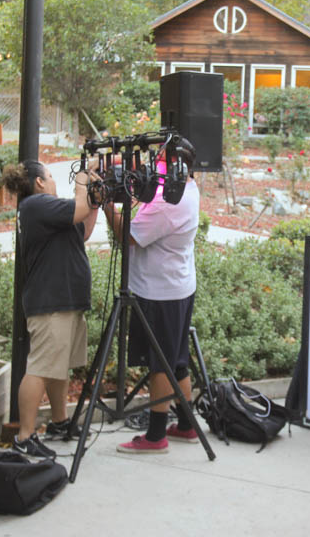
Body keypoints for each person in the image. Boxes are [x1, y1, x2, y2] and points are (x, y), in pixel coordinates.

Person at [103, 144, 200, 454]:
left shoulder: (170, 203)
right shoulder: (184, 187)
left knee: (161, 364)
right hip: (175, 286)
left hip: (161, 293)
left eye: (159, 161)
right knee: (177, 361)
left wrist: (107, 205)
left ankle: (156, 436)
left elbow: (128, 236)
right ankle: (186, 424)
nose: (153, 166)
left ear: (175, 166)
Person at [2, 160, 99, 459]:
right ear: (40, 182)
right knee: (41, 368)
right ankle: (24, 436)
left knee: (58, 365)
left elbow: (83, 230)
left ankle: (59, 422)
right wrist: (82, 181)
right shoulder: (37, 205)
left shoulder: (47, 210)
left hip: (64, 299)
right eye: (51, 176)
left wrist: (95, 199)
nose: (54, 181)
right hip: (50, 302)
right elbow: (78, 209)